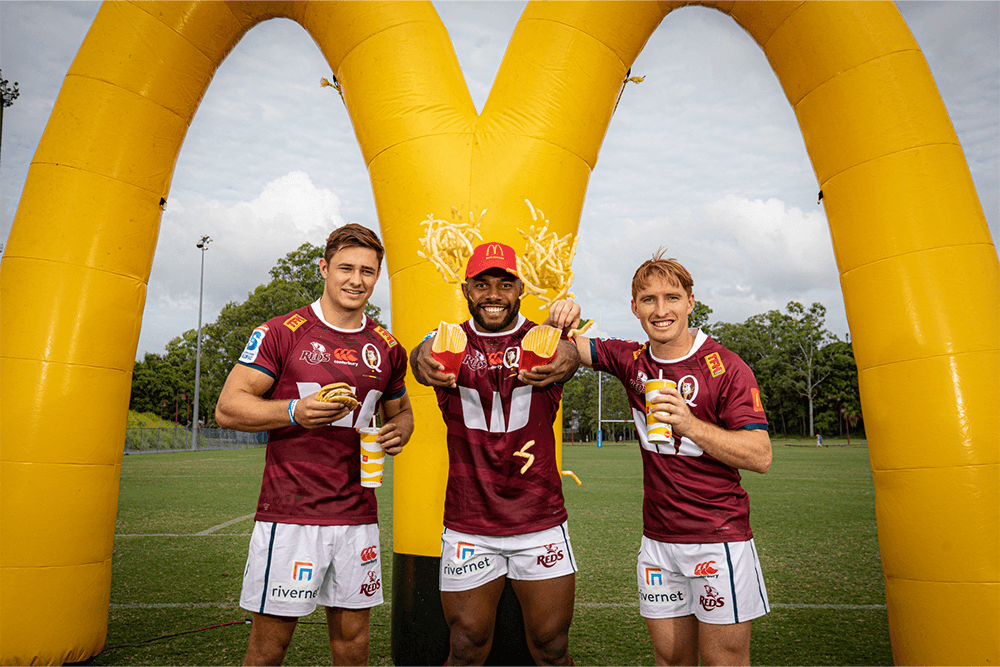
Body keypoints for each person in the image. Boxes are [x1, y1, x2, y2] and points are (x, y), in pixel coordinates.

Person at [549, 250, 771, 666]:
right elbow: (560, 349)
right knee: (669, 657)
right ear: (634, 307)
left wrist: (690, 425)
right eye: (648, 299)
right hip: (658, 541)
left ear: (690, 301)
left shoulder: (726, 367)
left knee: (724, 660)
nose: (661, 310)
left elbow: (760, 455)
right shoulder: (630, 358)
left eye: (672, 297)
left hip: (718, 539)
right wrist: (558, 317)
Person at [216, 223, 414, 666]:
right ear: (324, 268)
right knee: (269, 648)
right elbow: (228, 407)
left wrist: (402, 429)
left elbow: (400, 412)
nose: (356, 279)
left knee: (353, 644)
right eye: (345, 267)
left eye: (367, 270)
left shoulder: (386, 346)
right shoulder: (283, 331)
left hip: (358, 517)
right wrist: (293, 412)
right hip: (291, 516)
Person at [409, 241, 581, 666]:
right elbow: (422, 355)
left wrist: (570, 346)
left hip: (538, 518)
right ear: (466, 290)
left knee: (552, 648)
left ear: (519, 287)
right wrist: (419, 358)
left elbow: (568, 354)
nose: (493, 295)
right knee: (466, 646)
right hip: (471, 521)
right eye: (482, 284)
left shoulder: (542, 340)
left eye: (504, 284)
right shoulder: (449, 341)